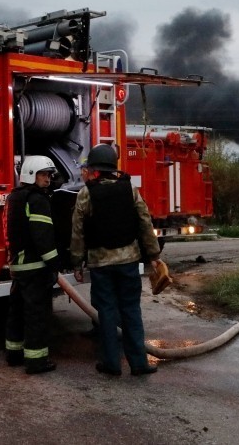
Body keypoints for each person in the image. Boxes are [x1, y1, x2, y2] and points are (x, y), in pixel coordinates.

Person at [70, 144, 163, 377]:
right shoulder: (129, 190)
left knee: (107, 314)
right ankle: (139, 363)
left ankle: (111, 364)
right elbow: (145, 222)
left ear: (94, 168)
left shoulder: (86, 193)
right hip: (128, 261)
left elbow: (78, 232)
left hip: (101, 264)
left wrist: (76, 263)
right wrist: (154, 256)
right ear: (114, 166)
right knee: (131, 310)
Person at [4, 155, 60, 374]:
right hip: (35, 267)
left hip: (18, 266)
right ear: (30, 175)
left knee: (16, 312)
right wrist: (54, 264)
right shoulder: (37, 200)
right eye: (43, 175)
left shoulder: (13, 197)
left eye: (48, 175)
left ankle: (14, 354)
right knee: (36, 315)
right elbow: (43, 236)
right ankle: (37, 361)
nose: (47, 179)